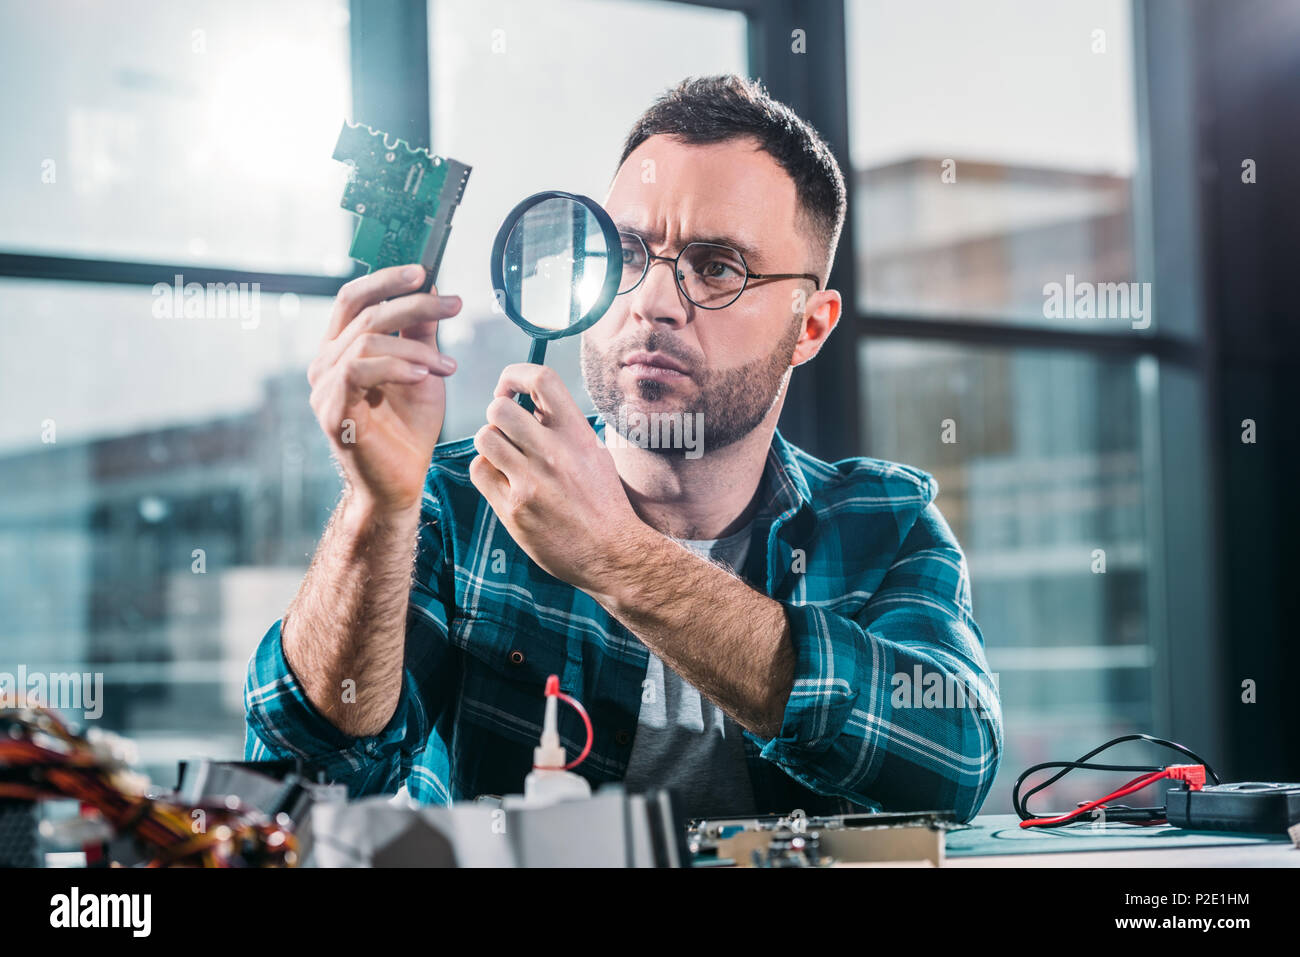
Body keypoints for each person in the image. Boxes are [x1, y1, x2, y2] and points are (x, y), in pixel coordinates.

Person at [244, 74, 1002, 821]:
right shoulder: (459, 505)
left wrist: (613, 553)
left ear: (810, 325)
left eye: (717, 267)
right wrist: (377, 505)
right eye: (631, 254)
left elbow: (954, 760)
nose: (653, 302)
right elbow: (299, 777)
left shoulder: (884, 526)